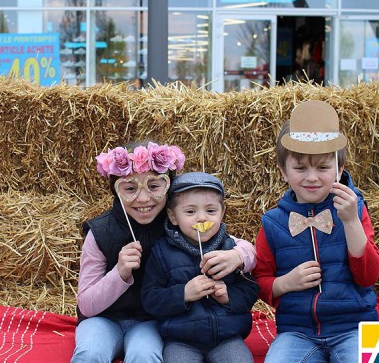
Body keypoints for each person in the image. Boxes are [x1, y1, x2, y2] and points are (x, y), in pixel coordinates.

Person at [71, 141, 256, 363]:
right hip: (101, 320)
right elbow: (87, 306)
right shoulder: (100, 232)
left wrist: (237, 256)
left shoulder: (180, 224)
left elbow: (242, 248)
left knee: (145, 355)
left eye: (154, 186)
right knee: (90, 354)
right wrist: (119, 273)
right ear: (117, 191)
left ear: (168, 188)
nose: (142, 198)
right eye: (130, 188)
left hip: (149, 322)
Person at [253, 100, 379, 362]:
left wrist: (350, 222)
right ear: (283, 171)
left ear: (339, 169)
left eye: (323, 167)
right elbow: (259, 281)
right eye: (300, 168)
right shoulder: (273, 223)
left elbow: (368, 277)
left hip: (353, 328)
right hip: (297, 332)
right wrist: (286, 283)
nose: (311, 177)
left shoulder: (354, 210)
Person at [141, 172, 258, 363]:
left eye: (211, 211)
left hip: (227, 337)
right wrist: (183, 293)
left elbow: (251, 289)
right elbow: (150, 299)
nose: (202, 218)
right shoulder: (162, 252)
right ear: (173, 216)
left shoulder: (230, 250)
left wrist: (228, 295)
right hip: (180, 340)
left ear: (222, 212)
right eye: (190, 212)